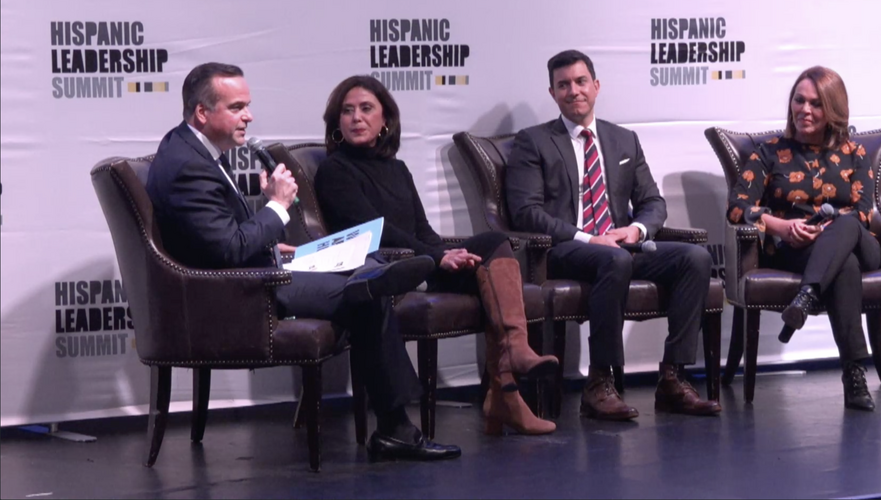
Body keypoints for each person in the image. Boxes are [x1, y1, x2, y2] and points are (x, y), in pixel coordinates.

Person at [146, 62, 462, 461]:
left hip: (253, 272)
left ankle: (373, 274)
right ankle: (397, 427)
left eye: (248, 105)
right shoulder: (188, 166)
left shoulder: (193, 151)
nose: (249, 115)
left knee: (363, 277)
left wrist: (272, 241)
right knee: (367, 294)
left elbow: (216, 239)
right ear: (202, 113)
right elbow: (227, 252)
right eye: (237, 106)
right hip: (232, 294)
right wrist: (276, 206)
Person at [314, 75, 560, 436]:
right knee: (483, 277)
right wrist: (437, 257)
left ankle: (512, 365)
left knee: (491, 245)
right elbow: (373, 231)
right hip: (385, 271)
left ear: (386, 120)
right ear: (336, 123)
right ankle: (507, 389)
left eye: (366, 109)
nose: (356, 118)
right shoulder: (334, 171)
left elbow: (422, 229)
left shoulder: (397, 169)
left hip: (422, 260)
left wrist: (446, 251)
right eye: (347, 111)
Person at [505, 50, 722, 421]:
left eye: (580, 81)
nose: (573, 91)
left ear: (596, 86)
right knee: (614, 258)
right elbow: (527, 212)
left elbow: (652, 201)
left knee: (696, 258)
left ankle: (673, 377)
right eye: (563, 85)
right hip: (567, 249)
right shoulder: (534, 142)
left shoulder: (623, 140)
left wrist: (635, 229)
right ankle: (599, 383)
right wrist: (590, 239)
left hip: (620, 246)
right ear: (553, 93)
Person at [725, 65, 880, 411]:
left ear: (833, 111)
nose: (805, 110)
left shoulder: (855, 153)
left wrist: (828, 226)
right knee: (845, 267)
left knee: (848, 228)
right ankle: (854, 376)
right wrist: (781, 228)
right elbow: (737, 207)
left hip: (856, 239)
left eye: (816, 104)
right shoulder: (768, 152)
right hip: (798, 248)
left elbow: (865, 213)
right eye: (799, 100)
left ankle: (807, 296)